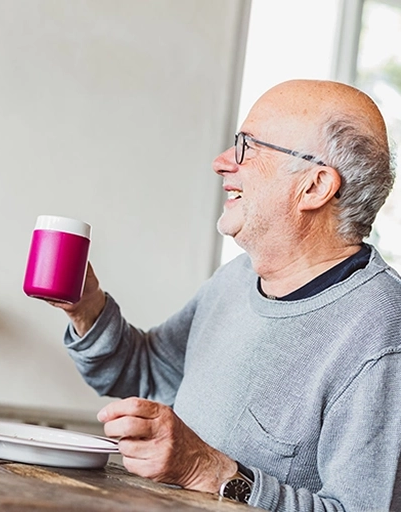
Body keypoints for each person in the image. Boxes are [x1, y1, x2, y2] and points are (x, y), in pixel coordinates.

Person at [53, 79, 401, 511]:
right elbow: (148, 374)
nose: (221, 163)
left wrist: (210, 472)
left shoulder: (383, 334)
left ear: (314, 187)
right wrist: (87, 309)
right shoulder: (236, 279)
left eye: (247, 147)